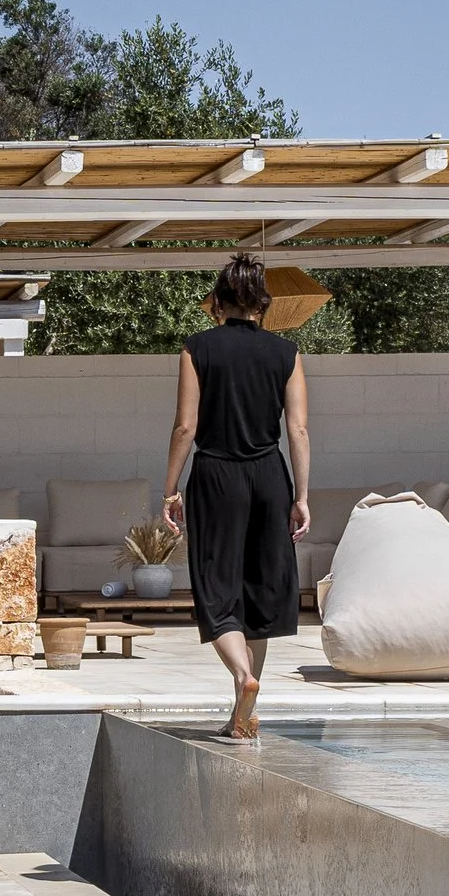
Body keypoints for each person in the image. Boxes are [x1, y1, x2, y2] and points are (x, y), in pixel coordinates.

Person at [161, 253, 310, 740]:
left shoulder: (196, 348)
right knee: (260, 593)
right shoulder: (286, 352)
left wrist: (170, 489)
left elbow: (186, 425)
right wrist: (301, 496)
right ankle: (241, 712)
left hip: (217, 474)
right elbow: (299, 429)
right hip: (270, 474)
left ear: (219, 302)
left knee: (215, 588)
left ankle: (243, 679)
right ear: (261, 306)